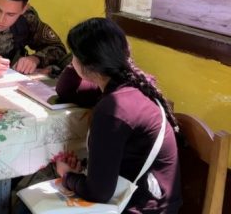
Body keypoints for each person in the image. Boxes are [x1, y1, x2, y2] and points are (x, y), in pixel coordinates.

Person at [54, 17, 182, 213]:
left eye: (74, 55)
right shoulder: (129, 84)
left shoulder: (113, 109)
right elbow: (67, 91)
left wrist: (67, 175)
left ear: (87, 63)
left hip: (140, 208)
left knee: (27, 206)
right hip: (151, 200)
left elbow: (98, 193)